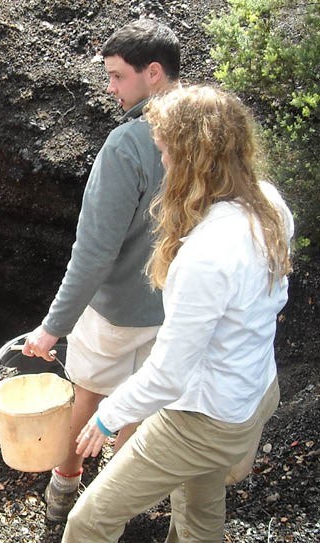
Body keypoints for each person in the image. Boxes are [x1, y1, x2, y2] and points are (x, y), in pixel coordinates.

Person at [62, 84, 293, 542]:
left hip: (201, 420)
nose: (162, 163)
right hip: (252, 391)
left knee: (89, 521)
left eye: (166, 152)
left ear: (194, 159)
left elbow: (168, 375)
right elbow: (272, 298)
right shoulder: (268, 203)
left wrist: (108, 416)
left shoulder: (205, 254)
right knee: (200, 515)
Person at [19, 19, 181, 521]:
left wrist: (53, 328)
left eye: (116, 76)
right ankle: (123, 507)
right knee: (139, 407)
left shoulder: (128, 144)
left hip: (115, 314)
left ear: (152, 72)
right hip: (176, 309)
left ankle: (64, 493)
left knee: (87, 397)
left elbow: (93, 254)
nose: (109, 89)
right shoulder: (208, 132)